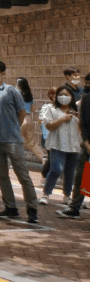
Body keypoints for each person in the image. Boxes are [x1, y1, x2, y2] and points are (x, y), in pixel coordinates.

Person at [0, 58, 39, 223]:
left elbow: (21, 112)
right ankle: (11, 207)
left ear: (2, 73)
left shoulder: (12, 91)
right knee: (2, 176)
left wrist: (14, 127)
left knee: (23, 175)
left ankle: (32, 209)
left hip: (13, 140)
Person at [40, 84, 81, 206]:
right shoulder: (51, 110)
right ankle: (46, 194)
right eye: (61, 95)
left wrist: (79, 118)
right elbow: (49, 125)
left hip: (73, 146)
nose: (63, 97)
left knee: (70, 172)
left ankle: (67, 196)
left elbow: (81, 129)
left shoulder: (75, 111)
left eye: (66, 95)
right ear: (56, 97)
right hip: (57, 144)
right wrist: (63, 119)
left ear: (71, 97)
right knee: (56, 169)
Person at [58, 73, 90, 220]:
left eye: (88, 83)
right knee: (82, 175)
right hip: (87, 144)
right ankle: (74, 207)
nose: (86, 86)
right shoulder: (85, 100)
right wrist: (86, 142)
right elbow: (83, 123)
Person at [17, 77, 44, 161]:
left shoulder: (17, 95)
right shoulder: (29, 96)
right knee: (31, 141)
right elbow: (33, 109)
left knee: (17, 142)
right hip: (29, 118)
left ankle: (17, 161)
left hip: (19, 119)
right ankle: (43, 158)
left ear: (19, 85)